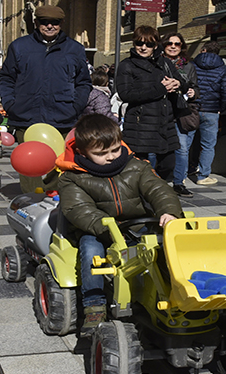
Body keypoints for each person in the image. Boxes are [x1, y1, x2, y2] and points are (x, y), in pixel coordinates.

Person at [57, 114, 184, 337]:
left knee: (167, 242)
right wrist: (108, 228)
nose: (111, 157)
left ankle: (177, 287)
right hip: (99, 229)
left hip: (136, 224)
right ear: (83, 152)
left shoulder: (136, 166)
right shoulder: (72, 177)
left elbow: (158, 189)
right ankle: (94, 303)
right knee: (91, 251)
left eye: (115, 149)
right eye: (101, 153)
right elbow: (78, 209)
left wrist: (168, 211)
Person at [0, 4, 91, 137]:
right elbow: (6, 79)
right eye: (44, 22)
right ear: (36, 22)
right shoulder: (19, 47)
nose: (50, 26)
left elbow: (83, 83)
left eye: (55, 22)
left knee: (61, 158)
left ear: (62, 23)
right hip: (25, 119)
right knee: (28, 158)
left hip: (63, 120)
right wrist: (11, 105)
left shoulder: (75, 49)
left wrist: (75, 107)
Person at [114, 26, 186, 180]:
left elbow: (184, 83)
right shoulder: (127, 65)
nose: (143, 47)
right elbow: (126, 94)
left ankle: (157, 193)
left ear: (156, 45)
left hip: (164, 122)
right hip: (140, 124)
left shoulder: (165, 62)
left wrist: (177, 83)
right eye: (139, 43)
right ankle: (143, 198)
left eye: (149, 44)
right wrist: (160, 89)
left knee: (168, 165)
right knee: (139, 168)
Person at [188, 41, 226, 186]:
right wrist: (221, 107)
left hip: (192, 108)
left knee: (186, 143)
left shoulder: (192, 65)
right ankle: (203, 176)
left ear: (203, 50)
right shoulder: (224, 70)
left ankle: (182, 174)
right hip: (212, 110)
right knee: (208, 145)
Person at [163, 33, 199, 197]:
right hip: (160, 110)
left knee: (182, 149)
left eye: (177, 44)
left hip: (181, 112)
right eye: (169, 43)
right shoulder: (157, 63)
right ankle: (155, 180)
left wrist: (193, 92)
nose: (173, 46)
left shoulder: (188, 66)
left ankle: (179, 182)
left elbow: (195, 87)